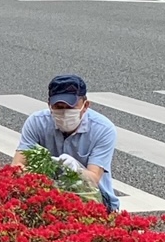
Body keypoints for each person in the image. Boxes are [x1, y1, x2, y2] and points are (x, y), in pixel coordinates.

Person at [17, 74, 119, 210]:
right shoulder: (36, 122)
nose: (64, 112)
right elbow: (17, 166)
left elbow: (93, 179)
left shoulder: (103, 129)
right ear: (49, 105)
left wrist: (75, 169)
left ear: (85, 105)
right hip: (46, 195)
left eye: (70, 107)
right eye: (58, 107)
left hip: (91, 198)